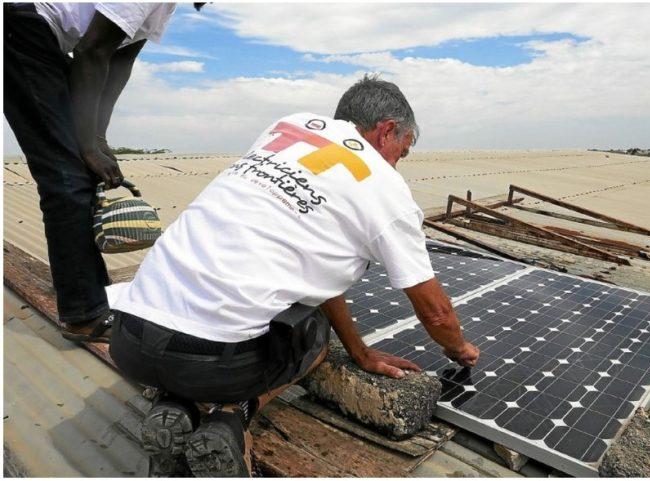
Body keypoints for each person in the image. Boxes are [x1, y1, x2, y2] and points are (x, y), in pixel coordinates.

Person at [107, 75, 481, 477]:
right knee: (313, 334)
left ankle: (177, 405)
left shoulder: (288, 126)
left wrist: (361, 350)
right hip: (214, 365)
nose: (396, 163)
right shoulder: (384, 188)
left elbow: (315, 271)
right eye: (401, 152)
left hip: (127, 339)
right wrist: (459, 350)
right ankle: (233, 416)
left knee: (210, 336)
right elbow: (436, 313)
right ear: (387, 130)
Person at [3, 3, 178, 342]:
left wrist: (97, 138)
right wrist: (86, 148)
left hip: (41, 37)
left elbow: (119, 60)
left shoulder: (165, 8)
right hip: (20, 28)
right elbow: (91, 50)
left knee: (77, 172)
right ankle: (84, 315)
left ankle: (89, 296)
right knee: (66, 178)